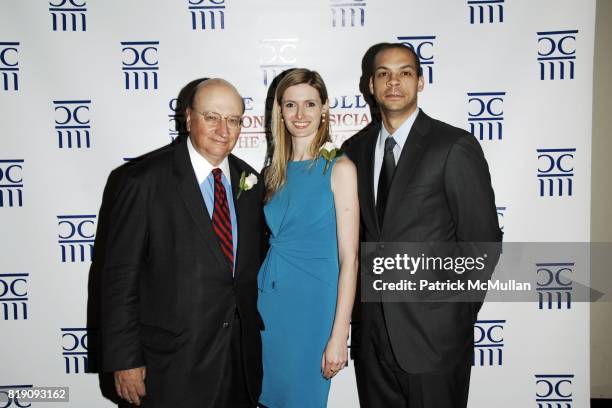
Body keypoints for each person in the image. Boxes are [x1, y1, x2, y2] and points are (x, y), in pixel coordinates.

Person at [342, 43, 502, 407]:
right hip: (372, 339)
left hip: (435, 339)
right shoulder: (356, 149)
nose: (393, 82)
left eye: (405, 73)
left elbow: (483, 244)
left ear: (421, 81)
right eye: (383, 74)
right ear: (370, 85)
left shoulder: (453, 145)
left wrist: (452, 314)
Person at [101, 78, 265, 408]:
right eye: (212, 117)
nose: (223, 129)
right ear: (188, 118)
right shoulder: (142, 181)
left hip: (239, 361)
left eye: (233, 120)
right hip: (170, 365)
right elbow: (118, 277)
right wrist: (125, 359)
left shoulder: (250, 181)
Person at [257, 68, 359, 408]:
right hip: (269, 305)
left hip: (313, 308)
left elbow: (349, 259)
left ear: (325, 108)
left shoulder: (340, 168)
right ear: (280, 112)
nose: (300, 115)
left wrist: (339, 335)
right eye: (290, 105)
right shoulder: (274, 171)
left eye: (310, 104)